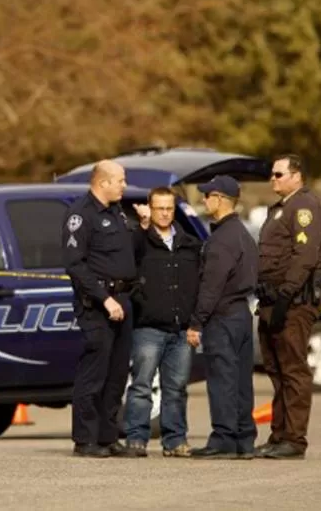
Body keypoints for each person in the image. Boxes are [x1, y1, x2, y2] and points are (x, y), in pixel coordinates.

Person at [254, 153, 321, 460]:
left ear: (296, 176)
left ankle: (294, 440)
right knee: (276, 370)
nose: (272, 179)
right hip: (273, 301)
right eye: (272, 174)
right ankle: (279, 435)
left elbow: (305, 257)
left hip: (294, 302)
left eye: (278, 174)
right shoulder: (282, 208)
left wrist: (285, 295)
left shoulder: (305, 208)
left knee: (293, 370)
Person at [62, 159, 140, 458]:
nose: (124, 185)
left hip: (122, 300)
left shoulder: (117, 212)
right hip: (97, 304)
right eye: (120, 180)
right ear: (103, 182)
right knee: (94, 372)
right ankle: (85, 439)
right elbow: (75, 265)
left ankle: (108, 436)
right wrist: (104, 299)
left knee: (117, 373)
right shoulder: (81, 216)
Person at [122, 186, 202, 458]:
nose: (165, 214)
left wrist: (195, 321)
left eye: (169, 208)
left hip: (181, 329)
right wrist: (142, 227)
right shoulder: (140, 241)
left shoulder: (189, 244)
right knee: (142, 385)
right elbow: (126, 264)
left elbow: (200, 282)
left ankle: (175, 440)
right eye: (159, 208)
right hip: (149, 327)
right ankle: (135, 439)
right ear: (150, 208)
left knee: (176, 389)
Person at [184, 174, 260, 460]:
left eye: (207, 195)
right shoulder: (243, 234)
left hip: (223, 317)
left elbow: (211, 286)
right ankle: (244, 438)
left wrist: (196, 322)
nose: (204, 200)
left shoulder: (221, 240)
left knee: (222, 378)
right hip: (241, 314)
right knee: (241, 379)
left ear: (220, 199)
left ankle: (224, 438)